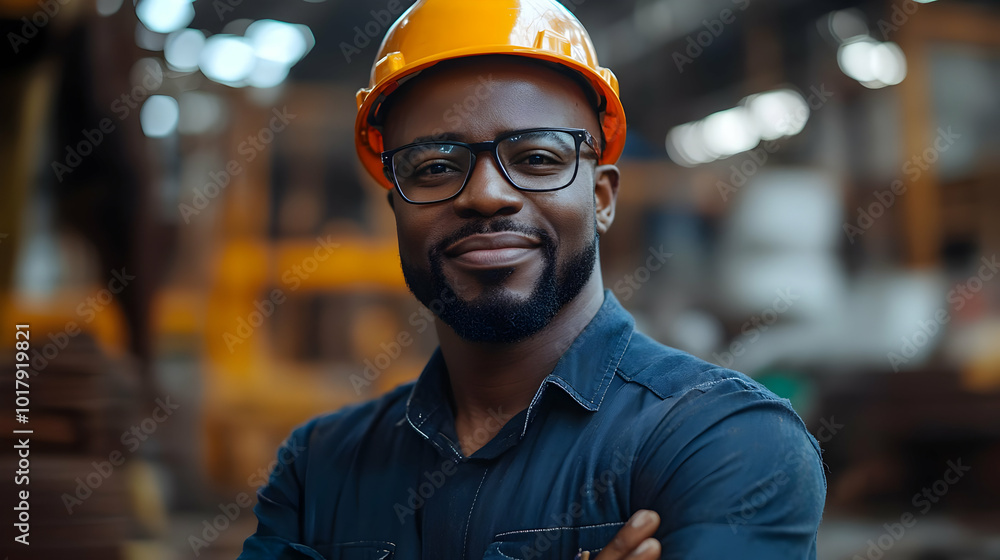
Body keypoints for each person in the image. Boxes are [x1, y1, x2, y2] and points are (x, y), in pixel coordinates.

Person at [239, 0, 826, 558]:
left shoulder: (724, 445)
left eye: (537, 159)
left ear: (600, 197)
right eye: (436, 167)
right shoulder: (319, 468)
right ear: (396, 207)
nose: (488, 195)